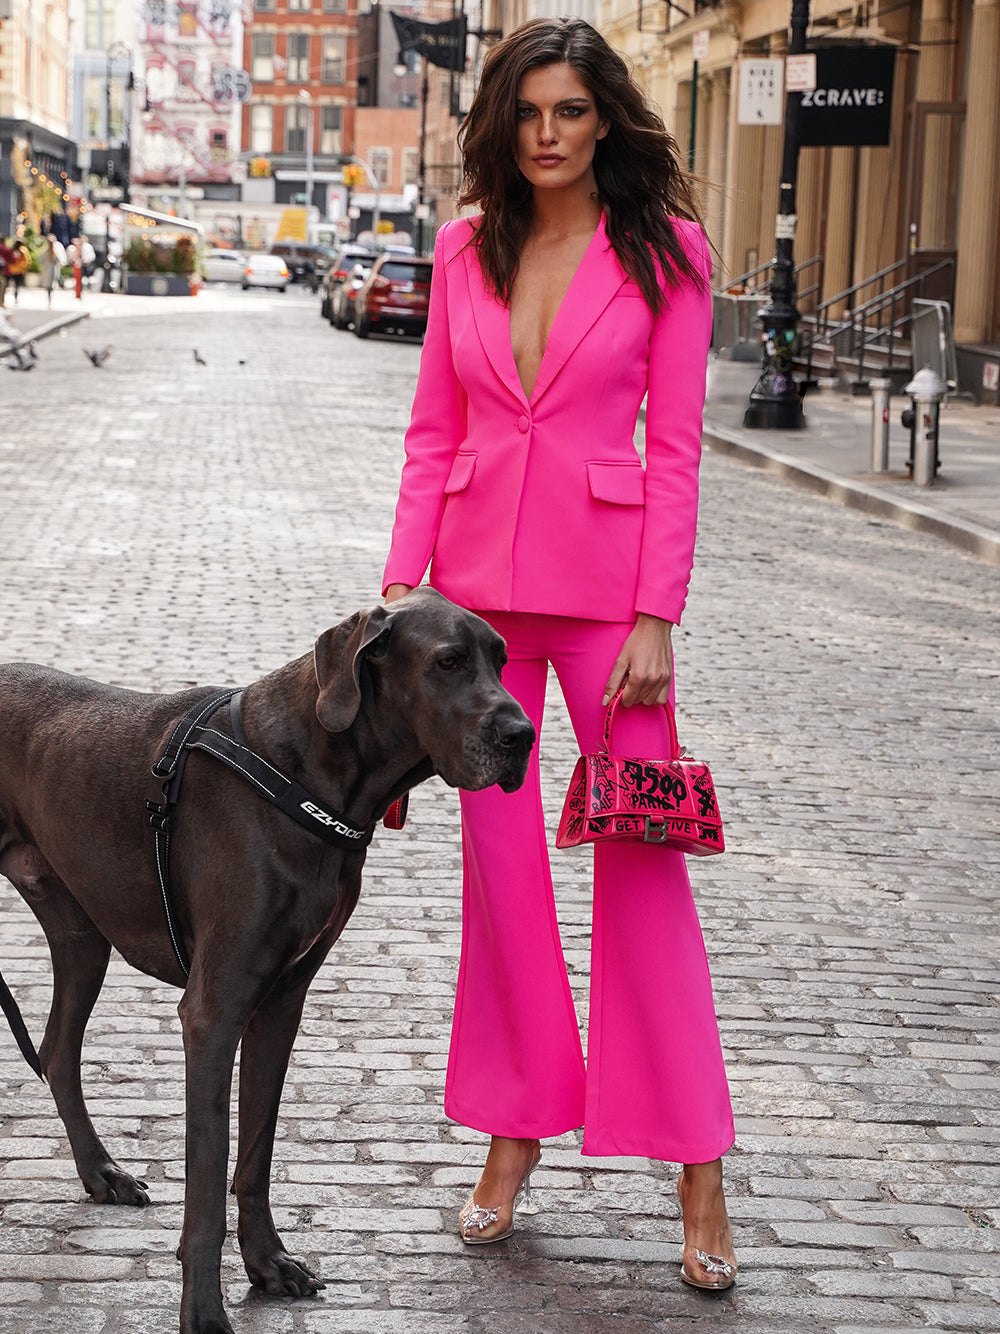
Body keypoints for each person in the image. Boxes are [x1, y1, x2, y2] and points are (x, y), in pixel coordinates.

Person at [382, 17, 737, 1290]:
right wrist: (399, 594)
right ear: (502, 119)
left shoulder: (666, 252)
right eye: (528, 110)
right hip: (473, 612)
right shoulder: (469, 242)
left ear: (605, 122)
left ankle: (694, 1157)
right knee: (501, 880)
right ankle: (513, 1130)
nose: (546, 132)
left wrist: (657, 613)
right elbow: (435, 426)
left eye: (570, 111)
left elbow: (680, 444)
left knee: (644, 855)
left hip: (605, 607)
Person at [39, 236, 66, 306]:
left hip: (47, 270)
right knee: (51, 285)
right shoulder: (55, 253)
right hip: (52, 270)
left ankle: (49, 298)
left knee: (48, 286)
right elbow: (58, 261)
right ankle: (50, 299)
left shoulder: (45, 252)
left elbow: (40, 260)